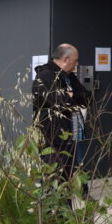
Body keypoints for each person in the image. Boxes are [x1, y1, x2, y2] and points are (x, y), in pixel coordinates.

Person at [32, 44, 90, 182]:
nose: (77, 64)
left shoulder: (69, 76)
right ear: (65, 59)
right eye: (75, 60)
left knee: (76, 170)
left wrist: (72, 95)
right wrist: (72, 97)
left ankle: (80, 191)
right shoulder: (45, 76)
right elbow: (62, 102)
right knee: (56, 176)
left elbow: (88, 98)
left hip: (75, 131)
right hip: (54, 137)